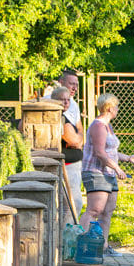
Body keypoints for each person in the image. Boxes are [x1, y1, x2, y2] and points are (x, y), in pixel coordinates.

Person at [80, 93, 134, 254]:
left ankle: (103, 246)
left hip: (108, 173)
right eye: (116, 107)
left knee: (108, 211)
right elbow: (100, 153)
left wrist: (128, 158)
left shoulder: (108, 126)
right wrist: (117, 168)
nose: (117, 109)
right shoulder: (98, 126)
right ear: (109, 108)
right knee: (94, 210)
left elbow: (111, 151)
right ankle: (81, 245)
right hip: (96, 172)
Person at [51, 86, 84, 217]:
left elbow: (77, 142)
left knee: (70, 206)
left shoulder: (65, 116)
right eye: (62, 99)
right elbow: (75, 142)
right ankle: (66, 235)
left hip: (72, 167)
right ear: (53, 100)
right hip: (67, 169)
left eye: (68, 100)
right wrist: (80, 136)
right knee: (72, 205)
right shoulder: (60, 119)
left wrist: (78, 139)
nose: (66, 103)